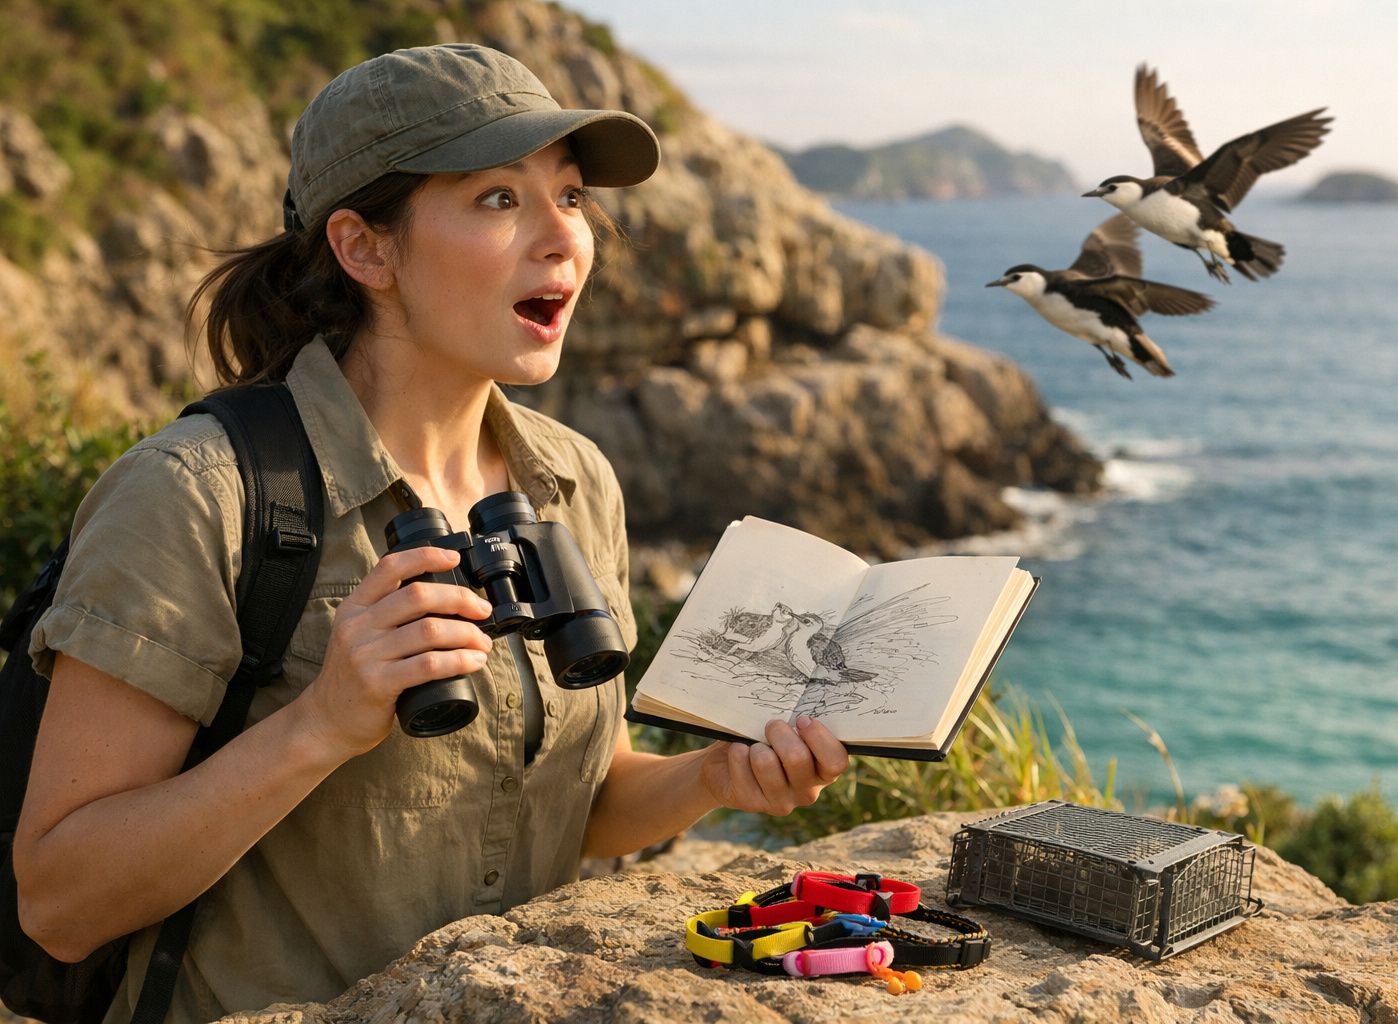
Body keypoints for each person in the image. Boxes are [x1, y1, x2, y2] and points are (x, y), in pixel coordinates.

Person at [13, 43, 849, 1022]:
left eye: (571, 196)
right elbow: (60, 900)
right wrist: (322, 724)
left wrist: (711, 774)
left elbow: (575, 799)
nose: (563, 240)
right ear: (366, 248)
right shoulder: (196, 494)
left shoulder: (576, 483)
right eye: (501, 198)